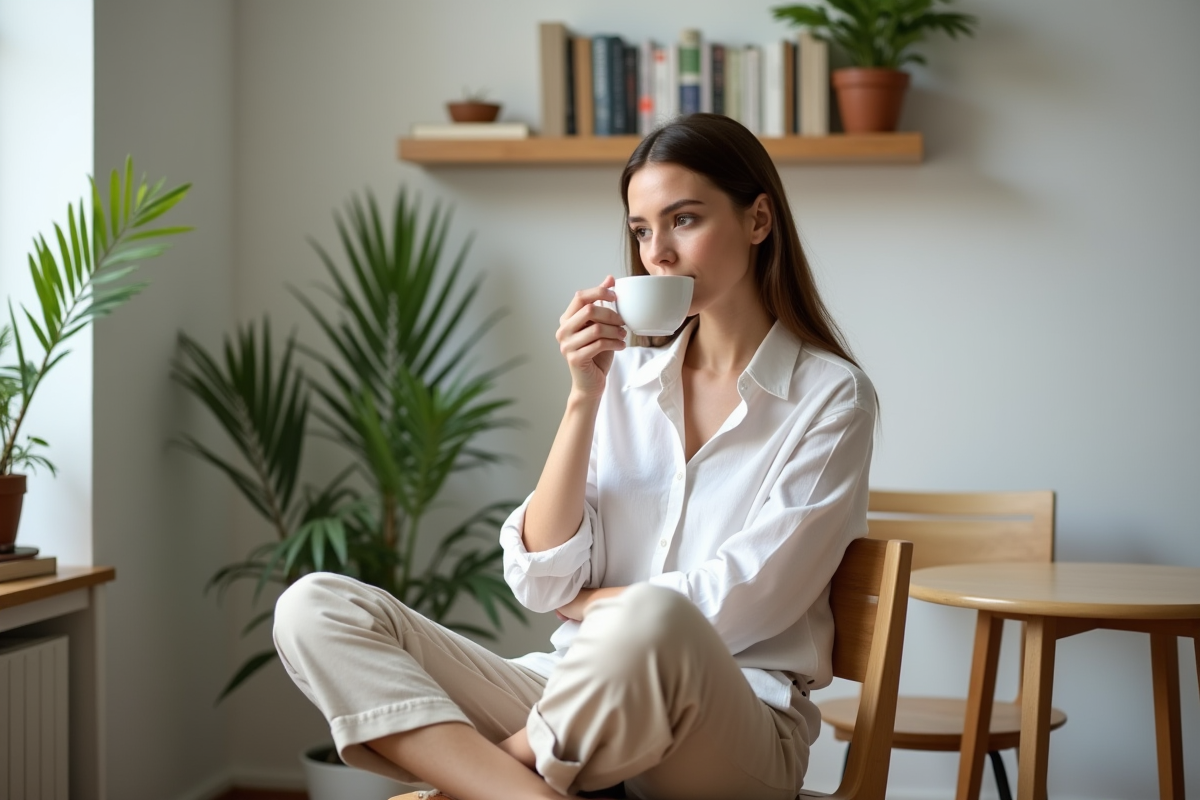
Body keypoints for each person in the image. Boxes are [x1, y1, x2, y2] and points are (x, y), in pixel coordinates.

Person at [273, 113, 876, 800]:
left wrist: (599, 604)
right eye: (642, 230)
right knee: (315, 606)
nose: (658, 253)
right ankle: (519, 791)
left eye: (683, 220)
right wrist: (583, 396)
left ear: (758, 219)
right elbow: (542, 581)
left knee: (657, 619)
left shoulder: (832, 398)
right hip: (569, 693)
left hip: (733, 726)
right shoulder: (622, 382)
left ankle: (488, 778)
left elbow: (743, 601)